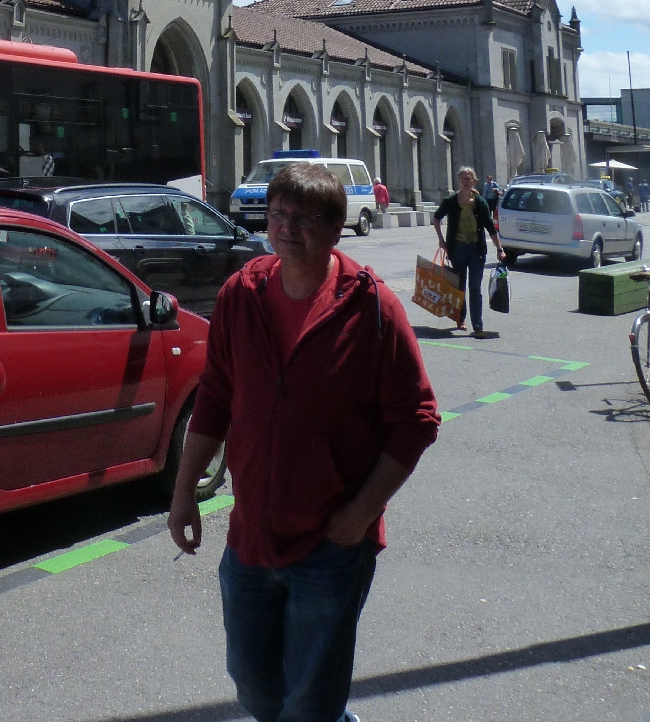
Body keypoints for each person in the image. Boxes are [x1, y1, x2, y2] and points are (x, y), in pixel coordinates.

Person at [168, 160, 439, 722]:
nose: (288, 227)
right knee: (255, 687)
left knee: (310, 704)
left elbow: (416, 418)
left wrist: (359, 516)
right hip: (251, 535)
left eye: (306, 217)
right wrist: (184, 492)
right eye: (279, 214)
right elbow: (215, 398)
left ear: (337, 229)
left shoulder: (372, 307)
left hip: (331, 544)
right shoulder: (240, 296)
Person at [433, 167, 505, 340]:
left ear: (474, 180)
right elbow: (437, 218)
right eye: (463, 178)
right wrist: (441, 241)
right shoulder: (451, 200)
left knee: (475, 287)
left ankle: (478, 325)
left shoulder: (480, 202)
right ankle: (460, 318)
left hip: (476, 250)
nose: (466, 181)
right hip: (457, 248)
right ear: (459, 180)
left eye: (469, 178)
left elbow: (490, 227)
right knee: (460, 287)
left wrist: (499, 248)